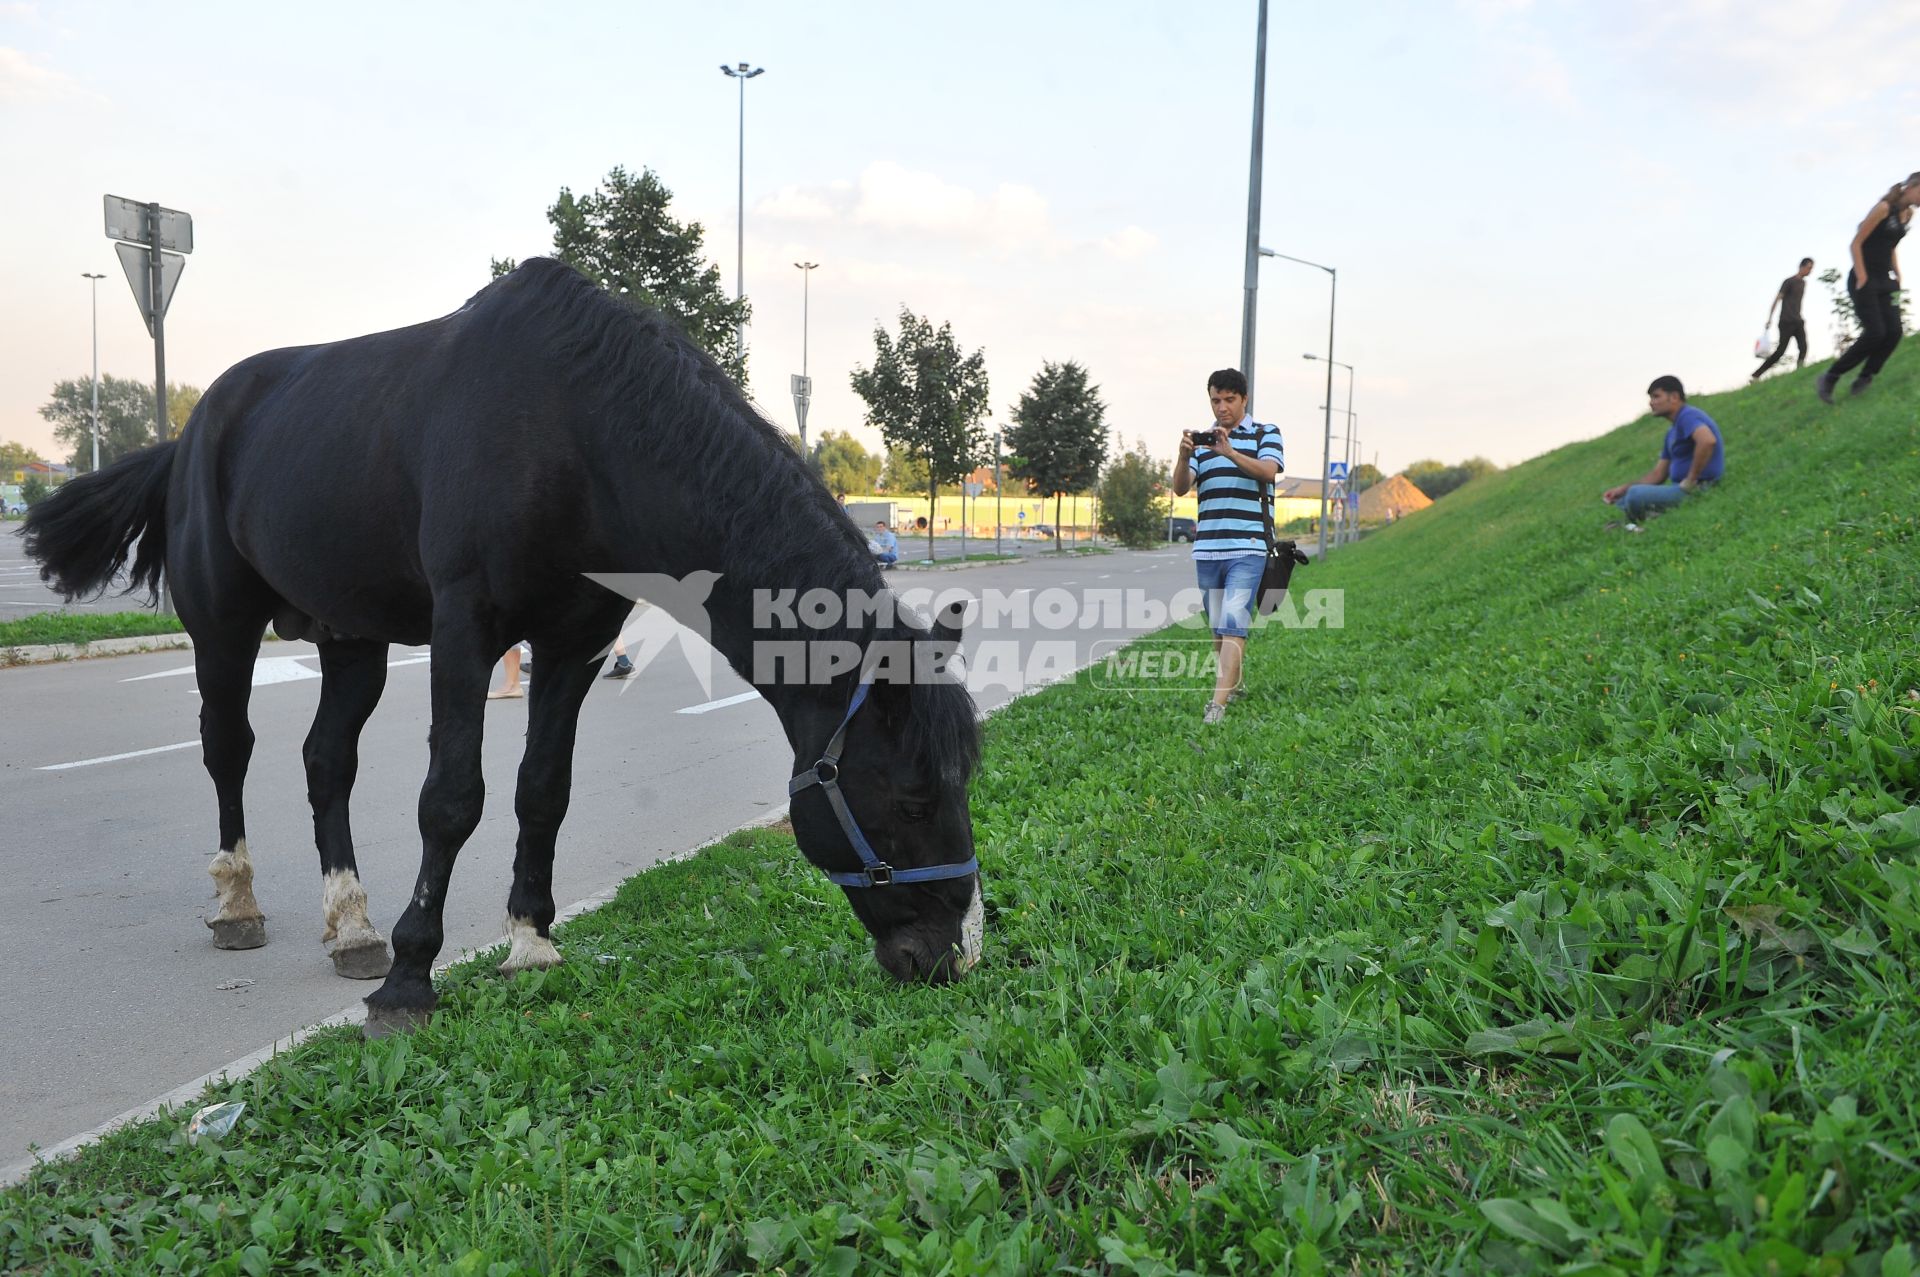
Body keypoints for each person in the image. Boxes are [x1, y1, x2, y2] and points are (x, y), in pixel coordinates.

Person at [1171, 367, 1283, 725]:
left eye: (1229, 400)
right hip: (1208, 549)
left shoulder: (1265, 433)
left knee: (1234, 622)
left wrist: (1230, 451)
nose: (1222, 407)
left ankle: (1216, 705)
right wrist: (1185, 456)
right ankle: (1232, 683)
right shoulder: (1204, 446)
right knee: (1219, 628)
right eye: (1216, 400)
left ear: (1244, 399)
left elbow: (1268, 472)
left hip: (1248, 546)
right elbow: (1179, 488)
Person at [1818, 172, 1919, 403]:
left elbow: (1891, 244)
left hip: (1886, 279)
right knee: (1875, 332)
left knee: (1894, 331)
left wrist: (1898, 272)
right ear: (1911, 187)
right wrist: (1862, 276)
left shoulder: (1907, 214)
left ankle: (1864, 378)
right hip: (1865, 279)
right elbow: (1856, 243)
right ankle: (1830, 376)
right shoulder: (1883, 208)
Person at [1601, 375, 1723, 530]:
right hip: (1679, 488)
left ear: (1674, 397)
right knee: (1626, 497)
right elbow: (1658, 474)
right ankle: (1649, 515)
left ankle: (1642, 519)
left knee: (1635, 496)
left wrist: (1691, 479)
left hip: (1700, 488)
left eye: (1656, 397)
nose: (1651, 403)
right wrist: (1622, 489)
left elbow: (1707, 440)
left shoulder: (1688, 415)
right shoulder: (1671, 432)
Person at [1753, 257, 1813, 379]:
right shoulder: (1789, 282)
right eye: (1809, 268)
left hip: (1798, 320)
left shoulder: (1803, 283)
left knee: (1803, 347)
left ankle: (1799, 372)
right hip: (1786, 321)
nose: (1810, 271)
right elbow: (1777, 299)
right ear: (1801, 267)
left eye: (1811, 269)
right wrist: (1769, 318)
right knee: (1780, 351)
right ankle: (1756, 374)